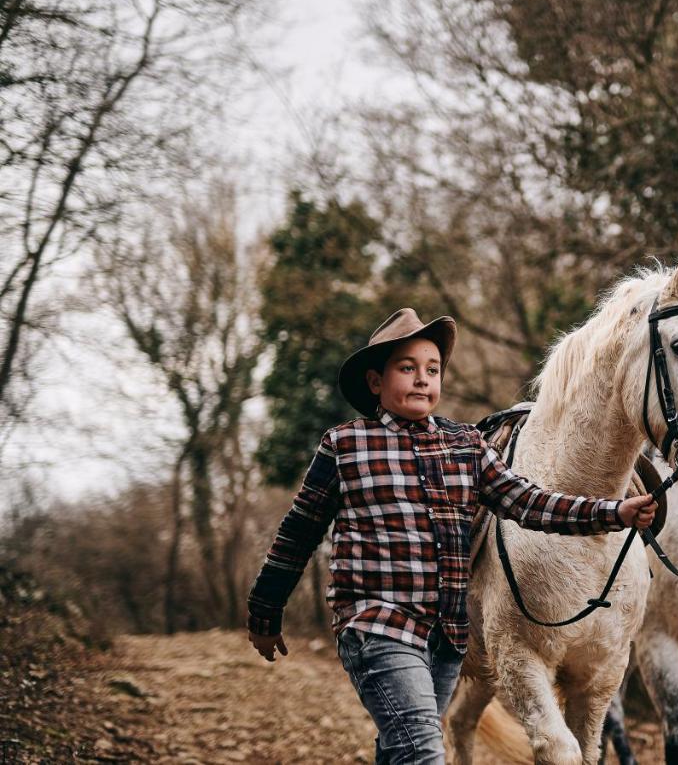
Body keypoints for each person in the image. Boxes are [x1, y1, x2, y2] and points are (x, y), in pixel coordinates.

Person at [246, 308, 657, 765]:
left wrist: (612, 511)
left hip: (445, 638)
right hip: (377, 626)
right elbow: (298, 532)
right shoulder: (346, 445)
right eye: (407, 368)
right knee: (423, 751)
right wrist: (265, 610)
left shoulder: (466, 445)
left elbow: (530, 502)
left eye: (433, 369)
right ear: (375, 383)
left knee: (402, 746)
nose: (423, 379)